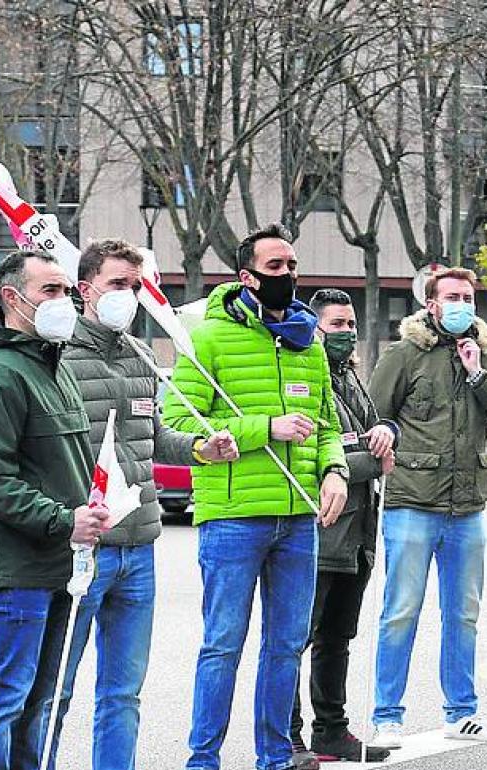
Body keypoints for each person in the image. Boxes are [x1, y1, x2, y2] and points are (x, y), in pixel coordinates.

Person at [42, 239, 238, 770]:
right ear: (85, 291)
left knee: (122, 694)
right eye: (116, 285)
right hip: (83, 551)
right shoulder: (58, 357)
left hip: (139, 549)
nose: (127, 296)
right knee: (54, 689)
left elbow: (154, 439)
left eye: (135, 285)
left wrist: (203, 447)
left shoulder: (139, 354)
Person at [164, 223, 350, 770]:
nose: (288, 275)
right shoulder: (208, 338)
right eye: (275, 267)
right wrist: (263, 428)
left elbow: (325, 423)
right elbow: (177, 421)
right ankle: (204, 760)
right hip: (232, 518)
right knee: (223, 644)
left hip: (297, 518)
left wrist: (334, 469)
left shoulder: (307, 342)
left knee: (286, 646)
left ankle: (276, 757)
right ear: (246, 277)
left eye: (292, 265)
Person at [0, 249, 109, 770]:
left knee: (38, 699)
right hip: (16, 567)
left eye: (67, 290)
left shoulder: (51, 365)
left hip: (59, 564)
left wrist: (90, 509)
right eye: (51, 290)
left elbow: (63, 462)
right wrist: (66, 520)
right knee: (4, 697)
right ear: (11, 298)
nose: (64, 300)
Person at [367, 266, 487, 747]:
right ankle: (386, 715)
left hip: (468, 506)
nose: (462, 304)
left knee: (463, 613)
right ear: (431, 304)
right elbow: (375, 415)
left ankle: (462, 712)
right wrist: (388, 434)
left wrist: (478, 373)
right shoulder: (404, 354)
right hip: (412, 501)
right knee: (401, 611)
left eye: (468, 296)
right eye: (452, 296)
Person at [289, 289, 399, 764]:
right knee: (296, 640)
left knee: (338, 638)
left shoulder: (350, 375)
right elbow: (311, 458)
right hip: (322, 529)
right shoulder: (304, 377)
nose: (348, 333)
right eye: (337, 325)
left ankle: (331, 730)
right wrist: (374, 462)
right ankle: (286, 736)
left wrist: (388, 430)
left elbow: (376, 427)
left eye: (351, 324)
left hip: (357, 535)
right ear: (315, 329)